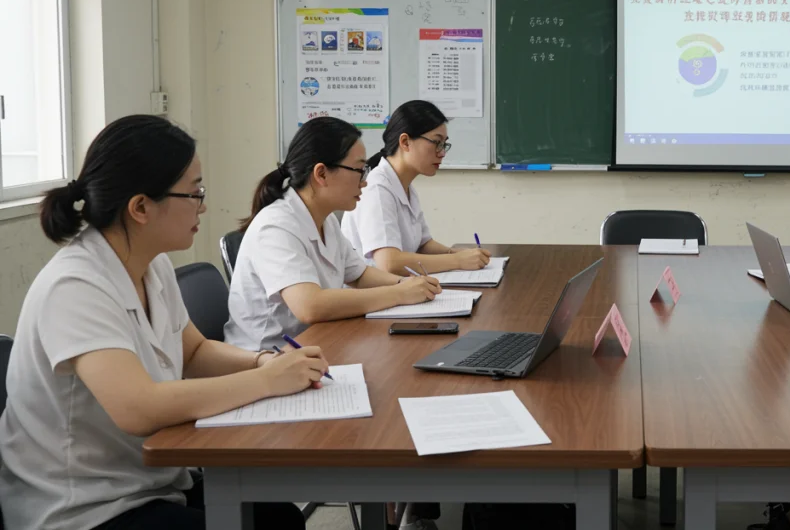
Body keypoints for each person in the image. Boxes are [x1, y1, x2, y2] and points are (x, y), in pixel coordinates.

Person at [0, 115, 323, 530]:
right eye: (194, 192)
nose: (203, 205)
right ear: (140, 207)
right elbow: (138, 408)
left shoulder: (153, 267)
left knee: (279, 519)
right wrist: (267, 382)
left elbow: (194, 351)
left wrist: (263, 362)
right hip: (82, 507)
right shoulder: (75, 285)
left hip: (148, 479)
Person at [224, 116, 441, 352]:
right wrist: (399, 293)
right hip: (265, 359)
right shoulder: (276, 226)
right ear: (321, 174)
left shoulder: (325, 219)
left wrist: (408, 283)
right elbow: (310, 306)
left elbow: (359, 275)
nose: (365, 182)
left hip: (313, 344)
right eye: (359, 170)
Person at [342, 100, 491, 276]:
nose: (442, 153)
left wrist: (458, 254)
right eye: (436, 143)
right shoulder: (377, 187)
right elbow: (389, 263)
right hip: (371, 296)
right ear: (405, 142)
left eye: (444, 144)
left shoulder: (405, 186)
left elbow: (423, 244)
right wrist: (457, 261)